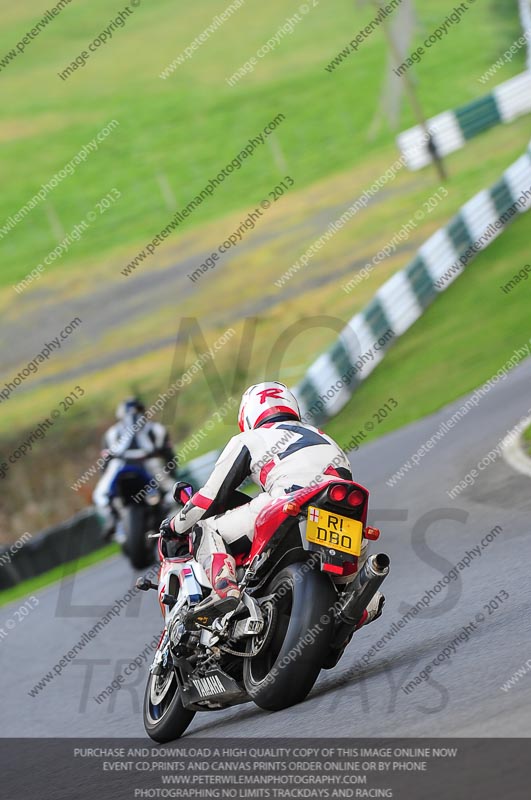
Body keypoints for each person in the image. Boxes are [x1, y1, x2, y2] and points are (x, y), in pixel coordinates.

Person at [161, 381, 384, 625]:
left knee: (205, 529)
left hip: (288, 500)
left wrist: (175, 526)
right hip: (344, 512)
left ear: (247, 415)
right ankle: (355, 609)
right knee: (356, 592)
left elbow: (209, 498)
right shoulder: (324, 437)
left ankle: (225, 589)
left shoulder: (249, 438)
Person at [93, 397, 176, 537]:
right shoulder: (156, 429)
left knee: (101, 494)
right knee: (173, 490)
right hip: (142, 463)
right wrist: (172, 473)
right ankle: (113, 518)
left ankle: (112, 518)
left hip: (124, 464)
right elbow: (169, 456)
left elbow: (105, 461)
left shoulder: (111, 433)